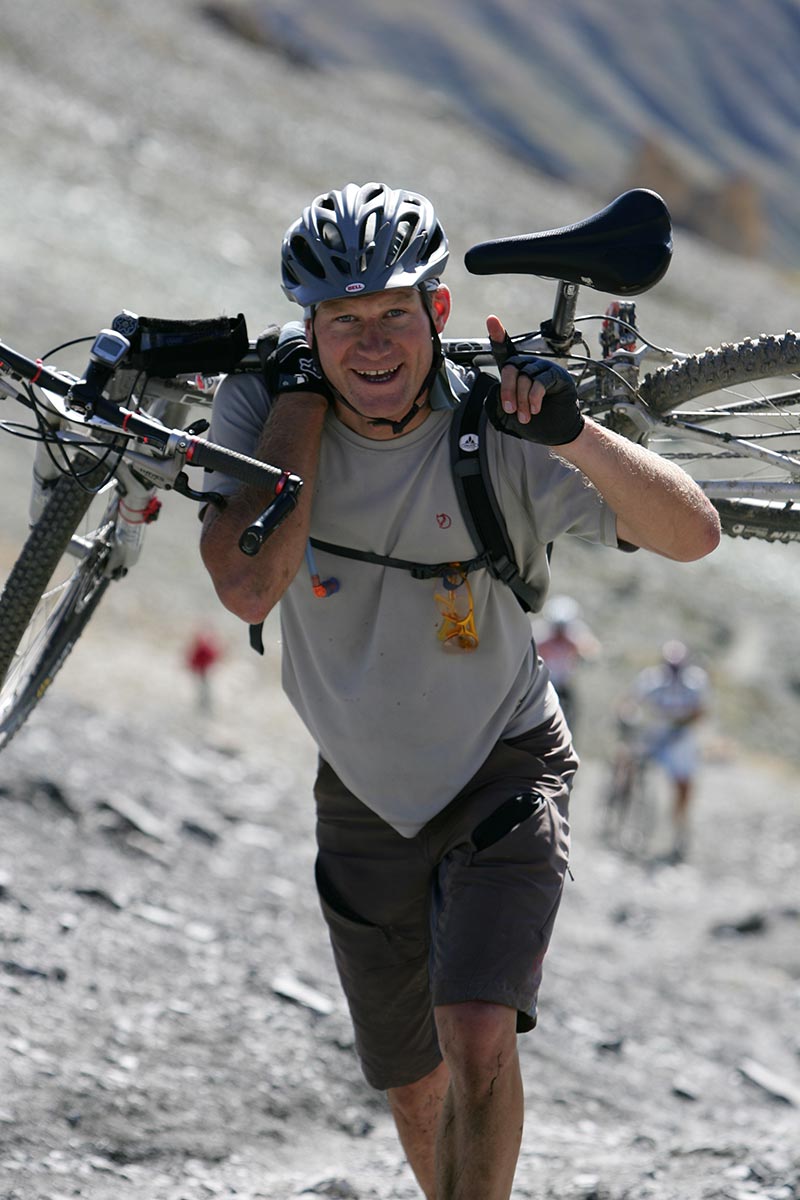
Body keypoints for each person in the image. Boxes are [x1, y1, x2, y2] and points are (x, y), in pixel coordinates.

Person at [199, 182, 720, 1200]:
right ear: (306, 331)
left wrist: (571, 433)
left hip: (503, 760)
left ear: (438, 313)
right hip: (360, 791)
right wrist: (302, 400)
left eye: (394, 312)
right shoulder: (261, 408)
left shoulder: (498, 423)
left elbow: (692, 534)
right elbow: (248, 583)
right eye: (341, 322)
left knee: (476, 1031)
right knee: (412, 1089)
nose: (372, 343)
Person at [627, 639, 710, 860]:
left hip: (680, 740)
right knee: (629, 758)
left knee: (684, 786)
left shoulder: (695, 682)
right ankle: (627, 805)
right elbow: (631, 701)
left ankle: (679, 829)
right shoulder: (651, 679)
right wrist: (628, 716)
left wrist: (681, 724)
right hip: (655, 734)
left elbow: (701, 711)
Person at [534, 595, 601, 735]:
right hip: (544, 682)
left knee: (572, 712)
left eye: (562, 627)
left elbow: (592, 649)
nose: (559, 631)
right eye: (557, 626)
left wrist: (584, 656)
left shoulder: (575, 634)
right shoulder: (541, 634)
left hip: (564, 683)